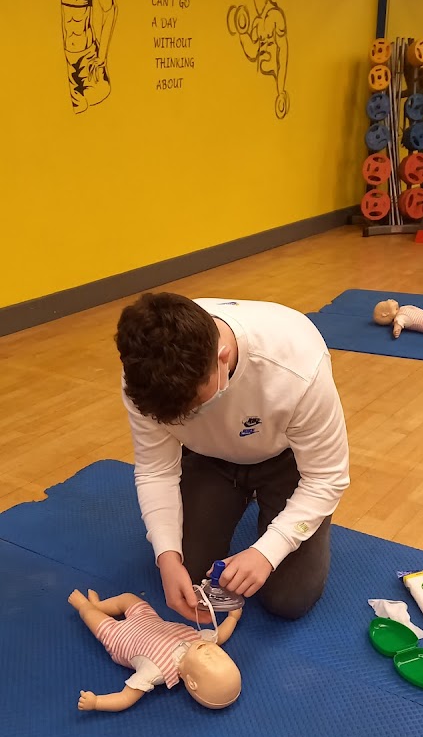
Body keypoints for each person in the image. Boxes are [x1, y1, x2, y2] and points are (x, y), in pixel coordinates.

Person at [115, 293, 349, 622]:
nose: (185, 418)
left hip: (285, 459)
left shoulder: (297, 366)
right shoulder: (143, 374)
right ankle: (234, 501)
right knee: (190, 570)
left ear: (222, 359)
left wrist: (267, 552)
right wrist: (166, 556)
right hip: (209, 459)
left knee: (289, 599)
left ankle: (279, 509)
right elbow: (156, 470)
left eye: (194, 408)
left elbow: (327, 477)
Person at [68, 588, 242, 711]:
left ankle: (84, 605)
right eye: (222, 655)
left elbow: (125, 697)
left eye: (210, 659)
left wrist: (97, 702)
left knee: (90, 616)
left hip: (118, 636)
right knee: (128, 598)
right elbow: (221, 635)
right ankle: (99, 605)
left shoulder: (157, 671)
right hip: (146, 618)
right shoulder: (200, 641)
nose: (212, 651)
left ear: (191, 682)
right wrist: (232, 617)